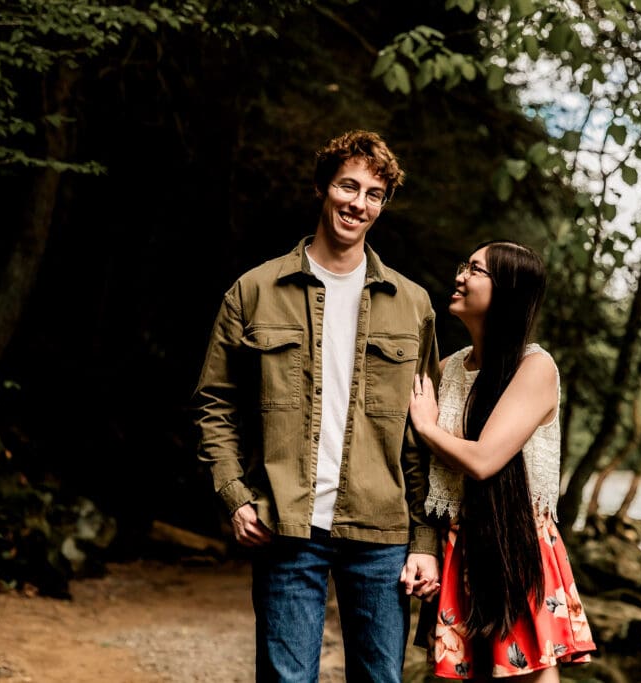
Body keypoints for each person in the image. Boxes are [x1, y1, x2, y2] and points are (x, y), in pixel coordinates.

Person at [193, 129, 441, 683]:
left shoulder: (413, 305)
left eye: (374, 194)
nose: (359, 203)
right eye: (348, 186)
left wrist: (425, 540)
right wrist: (235, 494)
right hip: (286, 524)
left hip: (382, 532)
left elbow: (420, 433)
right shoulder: (254, 290)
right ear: (322, 187)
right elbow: (215, 403)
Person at [409, 240, 596, 681]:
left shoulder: (534, 367)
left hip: (513, 543)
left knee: (527, 672)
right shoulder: (448, 369)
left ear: (508, 290)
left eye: (475, 270)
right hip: (458, 544)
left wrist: (429, 428)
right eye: (465, 265)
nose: (460, 276)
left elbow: (484, 460)